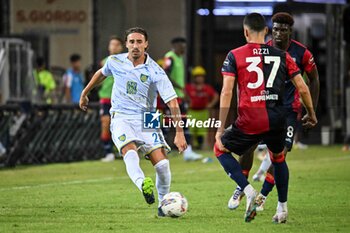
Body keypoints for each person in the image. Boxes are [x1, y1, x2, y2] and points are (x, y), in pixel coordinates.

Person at [215, 13, 317, 223]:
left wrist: (220, 128)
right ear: (267, 31)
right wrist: (312, 113)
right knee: (279, 158)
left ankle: (247, 189)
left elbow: (226, 91)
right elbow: (303, 87)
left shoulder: (235, 55)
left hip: (250, 119)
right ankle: (282, 209)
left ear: (245, 32)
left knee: (220, 148)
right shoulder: (282, 55)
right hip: (277, 119)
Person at [79, 27, 187, 216]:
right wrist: (85, 92)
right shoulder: (115, 61)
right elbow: (101, 73)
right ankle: (142, 183)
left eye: (139, 42)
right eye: (131, 42)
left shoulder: (156, 71)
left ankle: (163, 204)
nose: (135, 46)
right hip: (122, 115)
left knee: (162, 165)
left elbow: (172, 101)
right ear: (126, 44)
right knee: (129, 151)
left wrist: (179, 133)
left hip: (148, 116)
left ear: (146, 44)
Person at [163, 37, 203, 161]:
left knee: (184, 123)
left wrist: (183, 92)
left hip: (179, 97)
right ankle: (159, 150)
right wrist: (180, 88)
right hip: (170, 96)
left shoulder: (180, 58)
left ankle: (188, 151)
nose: (184, 49)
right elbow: (165, 74)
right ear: (175, 45)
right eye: (182, 46)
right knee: (167, 123)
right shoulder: (170, 57)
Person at [99, 36, 124, 162]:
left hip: (121, 99)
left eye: (116, 44)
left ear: (121, 47)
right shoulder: (104, 62)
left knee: (121, 126)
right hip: (106, 98)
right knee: (105, 123)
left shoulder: (125, 62)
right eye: (111, 44)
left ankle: (121, 150)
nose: (113, 46)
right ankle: (108, 152)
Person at [185, 66, 219, 149]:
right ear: (194, 78)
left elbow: (216, 96)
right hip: (192, 112)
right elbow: (183, 95)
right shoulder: (189, 87)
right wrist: (187, 102)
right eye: (197, 76)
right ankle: (190, 148)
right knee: (191, 131)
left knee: (201, 131)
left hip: (203, 112)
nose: (199, 78)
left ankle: (199, 147)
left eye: (201, 76)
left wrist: (210, 104)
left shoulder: (207, 88)